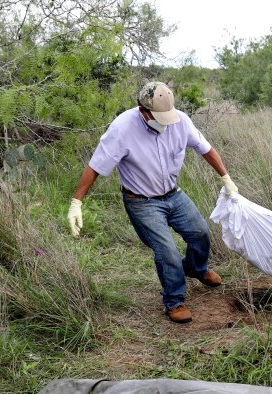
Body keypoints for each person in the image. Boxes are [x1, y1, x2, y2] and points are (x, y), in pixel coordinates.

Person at [66, 81, 239, 324]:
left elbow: (206, 149)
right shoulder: (122, 129)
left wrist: (226, 178)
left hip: (173, 194)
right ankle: (174, 300)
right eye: (159, 116)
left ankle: (196, 268)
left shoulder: (180, 120)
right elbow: (96, 166)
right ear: (143, 110)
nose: (165, 121)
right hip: (141, 201)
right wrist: (77, 202)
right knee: (166, 250)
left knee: (201, 233)